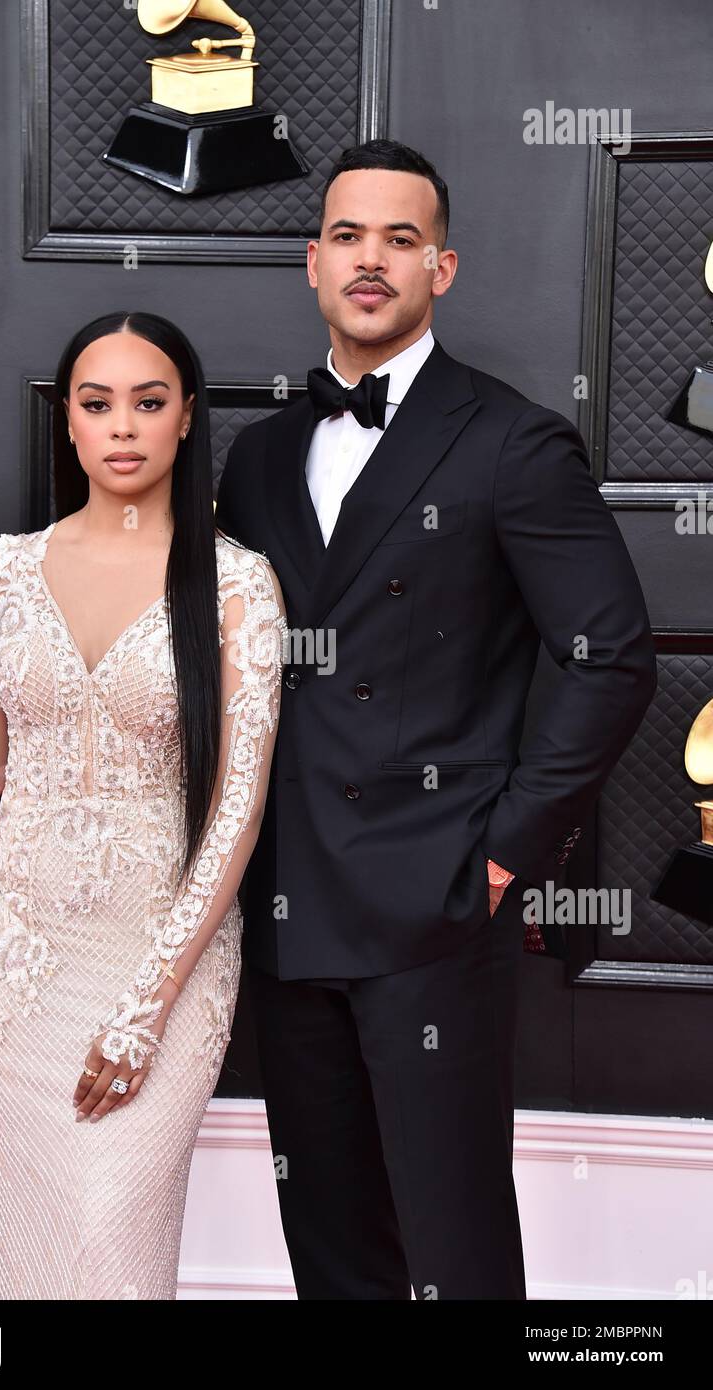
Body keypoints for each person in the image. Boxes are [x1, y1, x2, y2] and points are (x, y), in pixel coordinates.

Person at [212, 139, 658, 1299]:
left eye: (399, 240)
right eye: (349, 237)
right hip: (284, 905)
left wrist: (503, 854)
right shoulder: (256, 460)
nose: (371, 261)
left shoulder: (511, 441)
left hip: (431, 907)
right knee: (332, 1244)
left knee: (451, 1253)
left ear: (440, 269)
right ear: (312, 262)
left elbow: (607, 657)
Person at [0, 311, 286, 1299]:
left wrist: (144, 1010)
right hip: (12, 967)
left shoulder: (236, 586)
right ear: (69, 424)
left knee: (110, 1246)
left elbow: (236, 810)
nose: (123, 426)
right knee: (18, 1241)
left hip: (161, 959)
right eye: (97, 405)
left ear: (187, 418)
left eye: (149, 402)